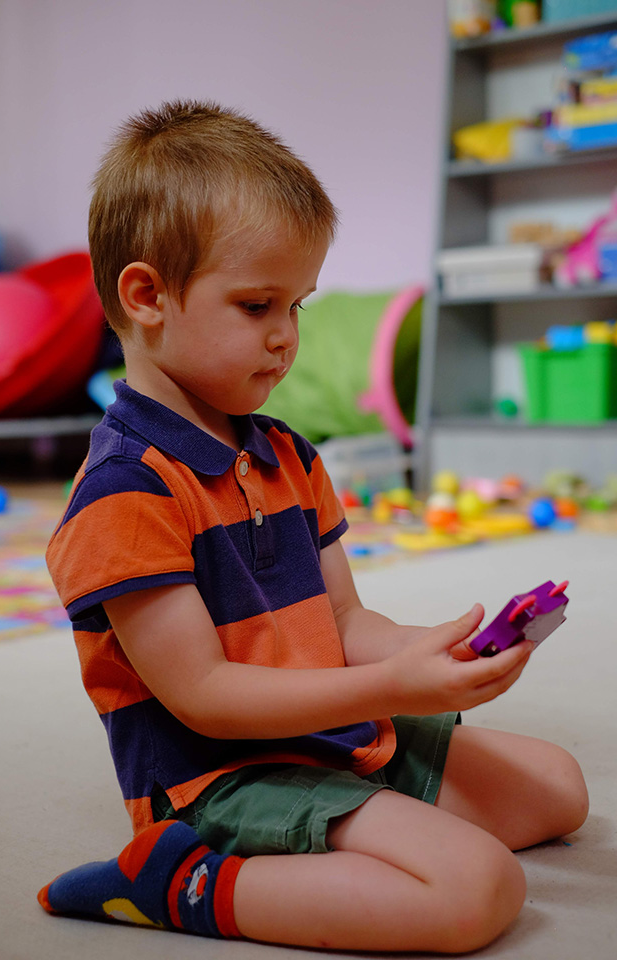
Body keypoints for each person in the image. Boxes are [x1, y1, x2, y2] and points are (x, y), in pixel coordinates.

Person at [38, 100, 588, 954]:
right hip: (221, 777)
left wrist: (429, 654)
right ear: (146, 297)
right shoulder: (124, 491)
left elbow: (341, 623)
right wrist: (391, 689)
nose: (286, 337)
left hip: (327, 734)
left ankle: (356, 822)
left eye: (297, 305)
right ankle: (174, 881)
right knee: (477, 889)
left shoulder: (288, 455)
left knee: (558, 789)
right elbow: (205, 697)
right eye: (257, 305)